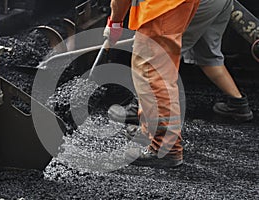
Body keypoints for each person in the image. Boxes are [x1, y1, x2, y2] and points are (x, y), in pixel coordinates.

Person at [108, 0, 253, 127]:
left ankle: (142, 109)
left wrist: (114, 25)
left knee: (155, 60)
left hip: (186, 4)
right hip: (219, 3)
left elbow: (119, 2)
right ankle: (238, 104)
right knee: (207, 55)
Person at [103, 0, 200, 168]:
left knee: (153, 76)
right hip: (173, 5)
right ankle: (149, 131)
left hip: (160, 7)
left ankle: (164, 148)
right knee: (159, 70)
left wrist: (115, 23)